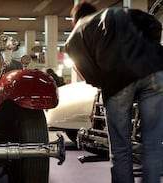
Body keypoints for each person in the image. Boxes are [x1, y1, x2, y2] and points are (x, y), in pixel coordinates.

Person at [65, 2, 163, 183]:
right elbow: (155, 24)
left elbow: (90, 76)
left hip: (118, 80)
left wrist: (105, 80)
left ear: (74, 20)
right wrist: (149, 50)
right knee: (153, 145)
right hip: (155, 70)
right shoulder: (121, 12)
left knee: (120, 148)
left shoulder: (74, 38)